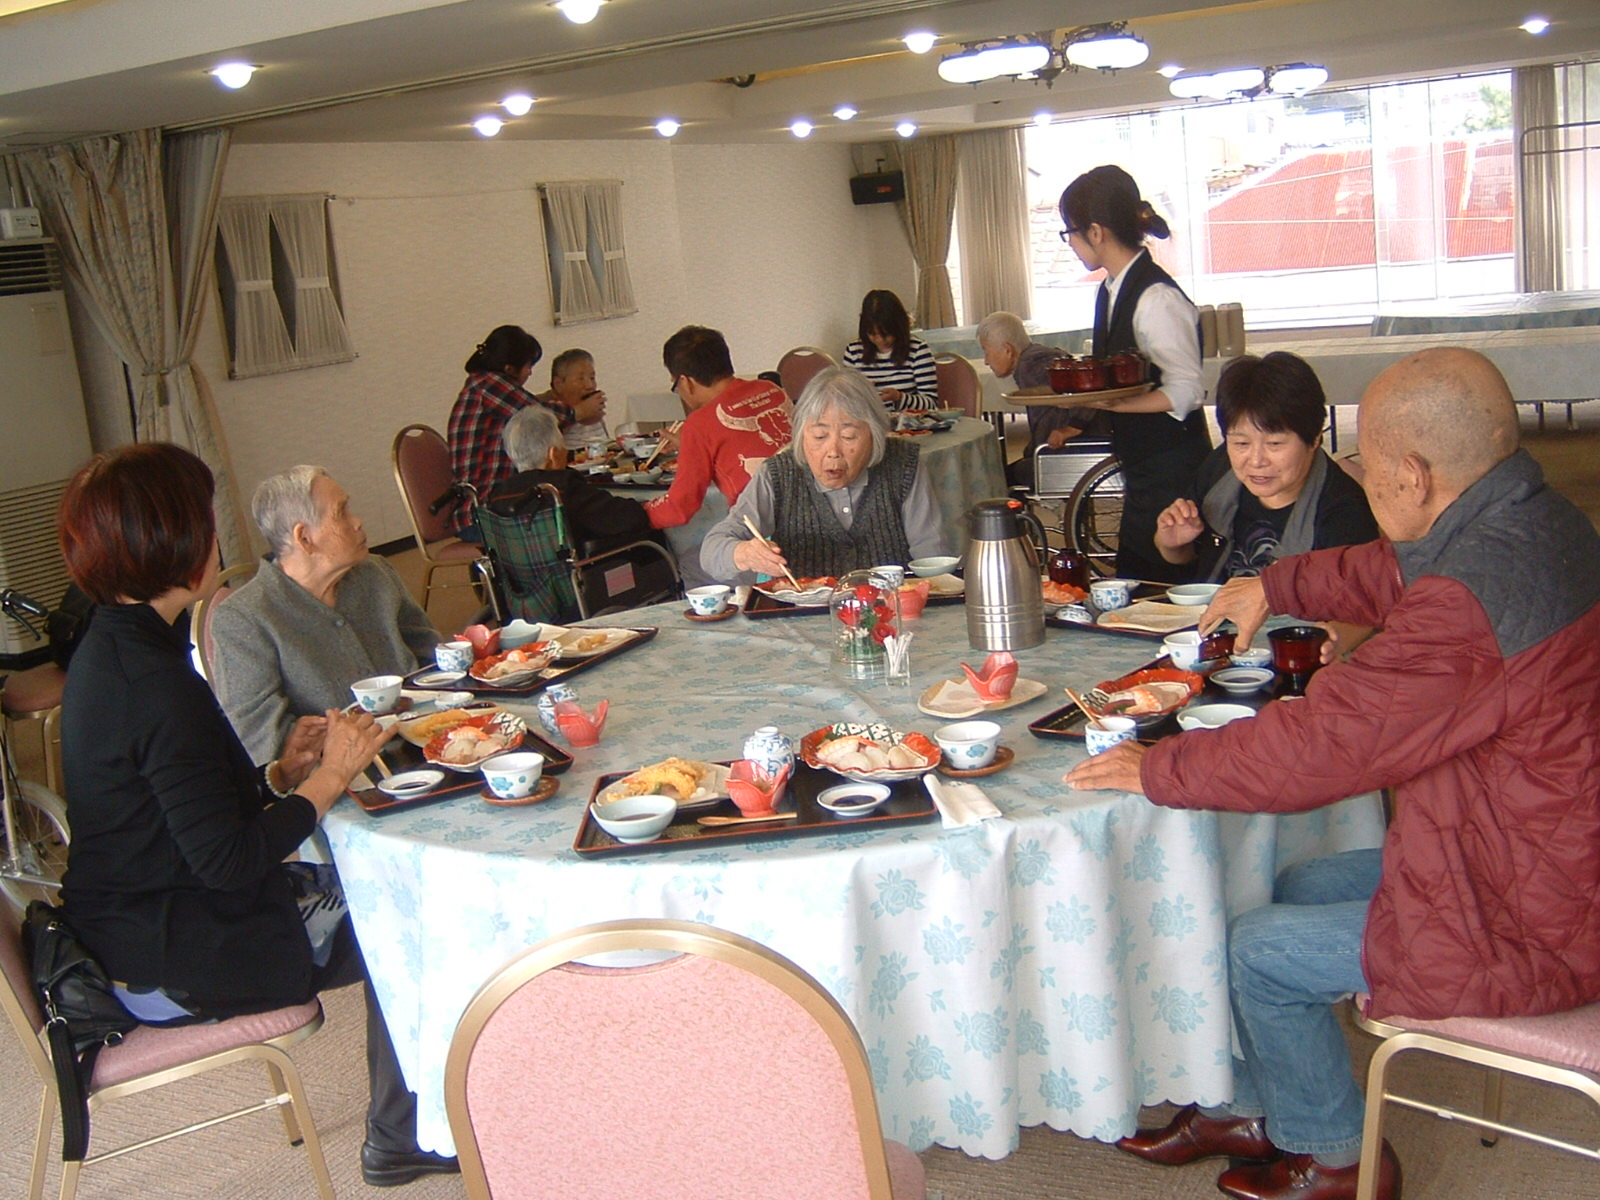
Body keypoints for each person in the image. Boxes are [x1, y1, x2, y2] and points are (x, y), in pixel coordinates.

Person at [1064, 348, 1600, 1200]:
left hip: (1532, 917)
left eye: (1367, 462)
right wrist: (1271, 583)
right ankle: (1260, 1107)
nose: (1356, 474)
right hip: (1532, 847)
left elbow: (1321, 747)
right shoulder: (1533, 519)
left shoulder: (1471, 598)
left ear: (1414, 474)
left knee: (1258, 950)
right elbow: (1387, 572)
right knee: (1303, 880)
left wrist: (1161, 766)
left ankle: (1339, 1157)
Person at [57, 443, 459, 1188]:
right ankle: (400, 1137)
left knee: (390, 897)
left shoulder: (117, 650)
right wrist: (334, 776)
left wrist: (280, 772)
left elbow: (184, 807)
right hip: (172, 952)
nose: (217, 537)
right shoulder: (150, 682)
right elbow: (233, 860)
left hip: (144, 916)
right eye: (203, 520)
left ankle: (408, 1120)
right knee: (407, 915)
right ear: (170, 540)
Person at [212, 466, 440, 764]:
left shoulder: (376, 573)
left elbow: (431, 656)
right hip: (339, 774)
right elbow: (259, 737)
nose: (357, 522)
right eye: (341, 512)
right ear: (304, 538)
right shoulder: (245, 618)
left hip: (428, 738)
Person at [1057, 166, 1210, 581]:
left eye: (1068, 231)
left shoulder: (1156, 297)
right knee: (1138, 580)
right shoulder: (1111, 288)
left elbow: (1186, 391)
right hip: (1143, 464)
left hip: (1172, 464)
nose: (1069, 242)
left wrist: (1114, 403)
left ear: (1095, 231)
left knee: (1166, 583)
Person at [701, 366, 949, 582]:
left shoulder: (903, 465)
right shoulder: (778, 475)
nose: (833, 451)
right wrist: (743, 554)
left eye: (849, 436)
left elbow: (933, 558)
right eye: (819, 436)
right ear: (800, 434)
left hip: (890, 618)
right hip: (804, 622)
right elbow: (712, 550)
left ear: (875, 435)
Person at [1155, 351, 1378, 581]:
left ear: (1314, 439)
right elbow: (1187, 560)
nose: (1256, 460)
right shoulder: (1220, 472)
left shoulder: (1345, 515)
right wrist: (1172, 545)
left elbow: (1349, 608)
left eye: (1274, 443)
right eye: (1241, 443)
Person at [644, 324, 792, 530]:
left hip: (765, 532)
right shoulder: (771, 390)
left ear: (686, 382)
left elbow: (679, 507)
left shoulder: (699, 423)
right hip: (814, 510)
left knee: (688, 559)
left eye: (675, 385)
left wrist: (636, 513)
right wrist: (686, 444)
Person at [495, 404, 656, 554]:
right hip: (582, 575)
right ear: (553, 454)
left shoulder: (498, 495)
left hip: (524, 580)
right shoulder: (561, 487)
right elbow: (630, 518)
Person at [976, 310, 1106, 489]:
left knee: (997, 482)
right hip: (1073, 450)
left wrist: (1073, 427)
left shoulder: (1032, 366)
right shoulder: (1037, 357)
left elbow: (1086, 389)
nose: (986, 361)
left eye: (986, 352)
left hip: (1074, 454)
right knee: (1010, 472)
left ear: (1008, 350)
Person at [842, 289, 939, 413]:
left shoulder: (918, 350)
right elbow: (844, 402)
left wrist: (899, 398)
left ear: (898, 327)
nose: (880, 340)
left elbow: (931, 404)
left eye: (886, 334)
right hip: (867, 425)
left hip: (908, 427)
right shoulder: (853, 351)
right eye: (872, 334)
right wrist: (861, 394)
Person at [536, 347, 609, 452]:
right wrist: (579, 413)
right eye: (580, 379)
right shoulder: (543, 410)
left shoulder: (594, 410)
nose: (590, 386)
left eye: (592, 378)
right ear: (559, 384)